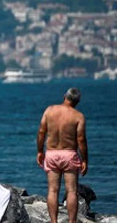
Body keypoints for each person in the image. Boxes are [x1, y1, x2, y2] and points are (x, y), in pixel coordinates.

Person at [37, 88, 88, 223]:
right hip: (69, 154)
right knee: (71, 191)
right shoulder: (78, 116)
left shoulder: (49, 110)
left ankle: (54, 221)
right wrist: (85, 160)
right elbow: (81, 140)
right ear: (77, 102)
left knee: (53, 190)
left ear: (64, 96)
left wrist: (40, 151)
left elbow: (41, 132)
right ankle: (71, 222)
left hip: (52, 154)